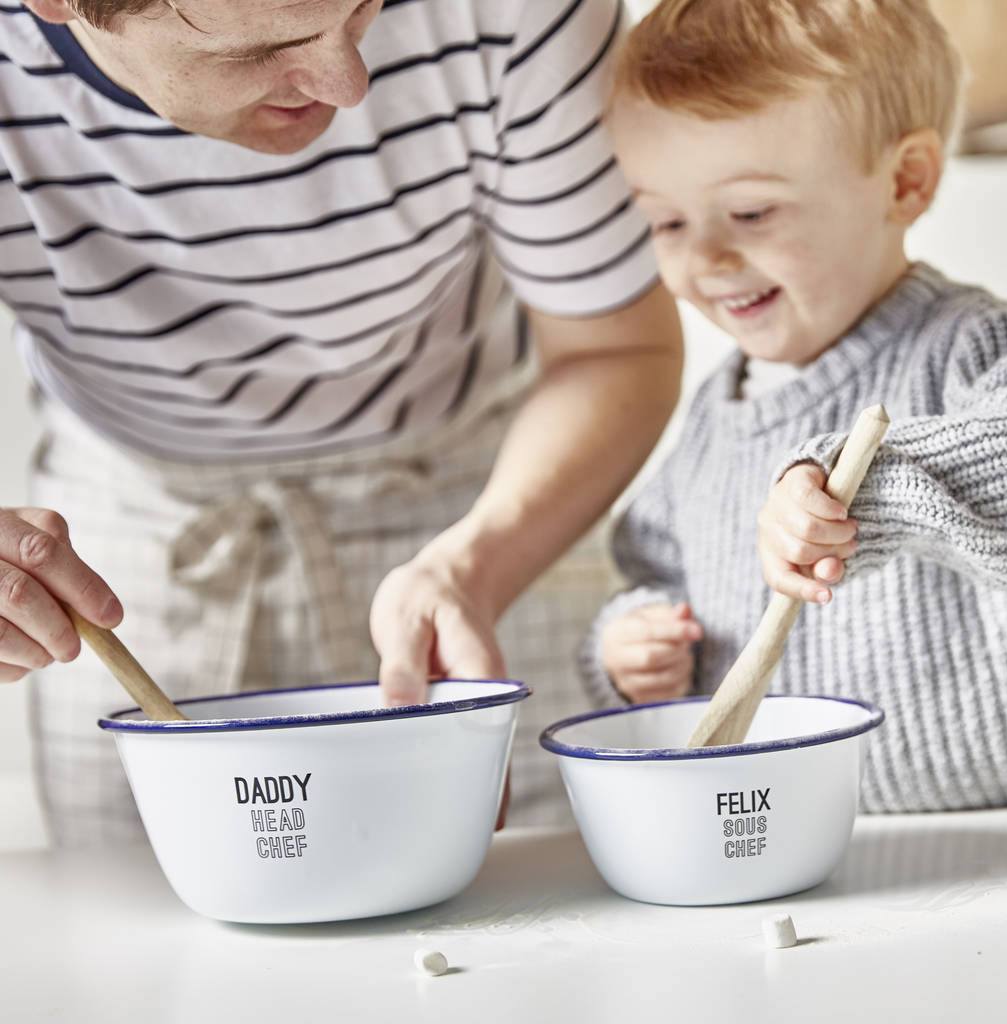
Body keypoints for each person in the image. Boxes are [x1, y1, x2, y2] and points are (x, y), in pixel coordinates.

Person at [0, 0, 685, 843]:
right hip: (135, 536)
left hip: (491, 500)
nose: (349, 85)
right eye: (268, 48)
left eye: (367, 11)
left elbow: (616, 352)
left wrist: (475, 567)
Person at [580, 0, 1007, 811]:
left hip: (997, 836)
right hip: (798, 837)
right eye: (666, 220)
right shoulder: (716, 416)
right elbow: (652, 567)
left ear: (905, 181)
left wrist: (862, 486)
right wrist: (632, 647)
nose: (705, 256)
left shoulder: (971, 344)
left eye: (751, 213)